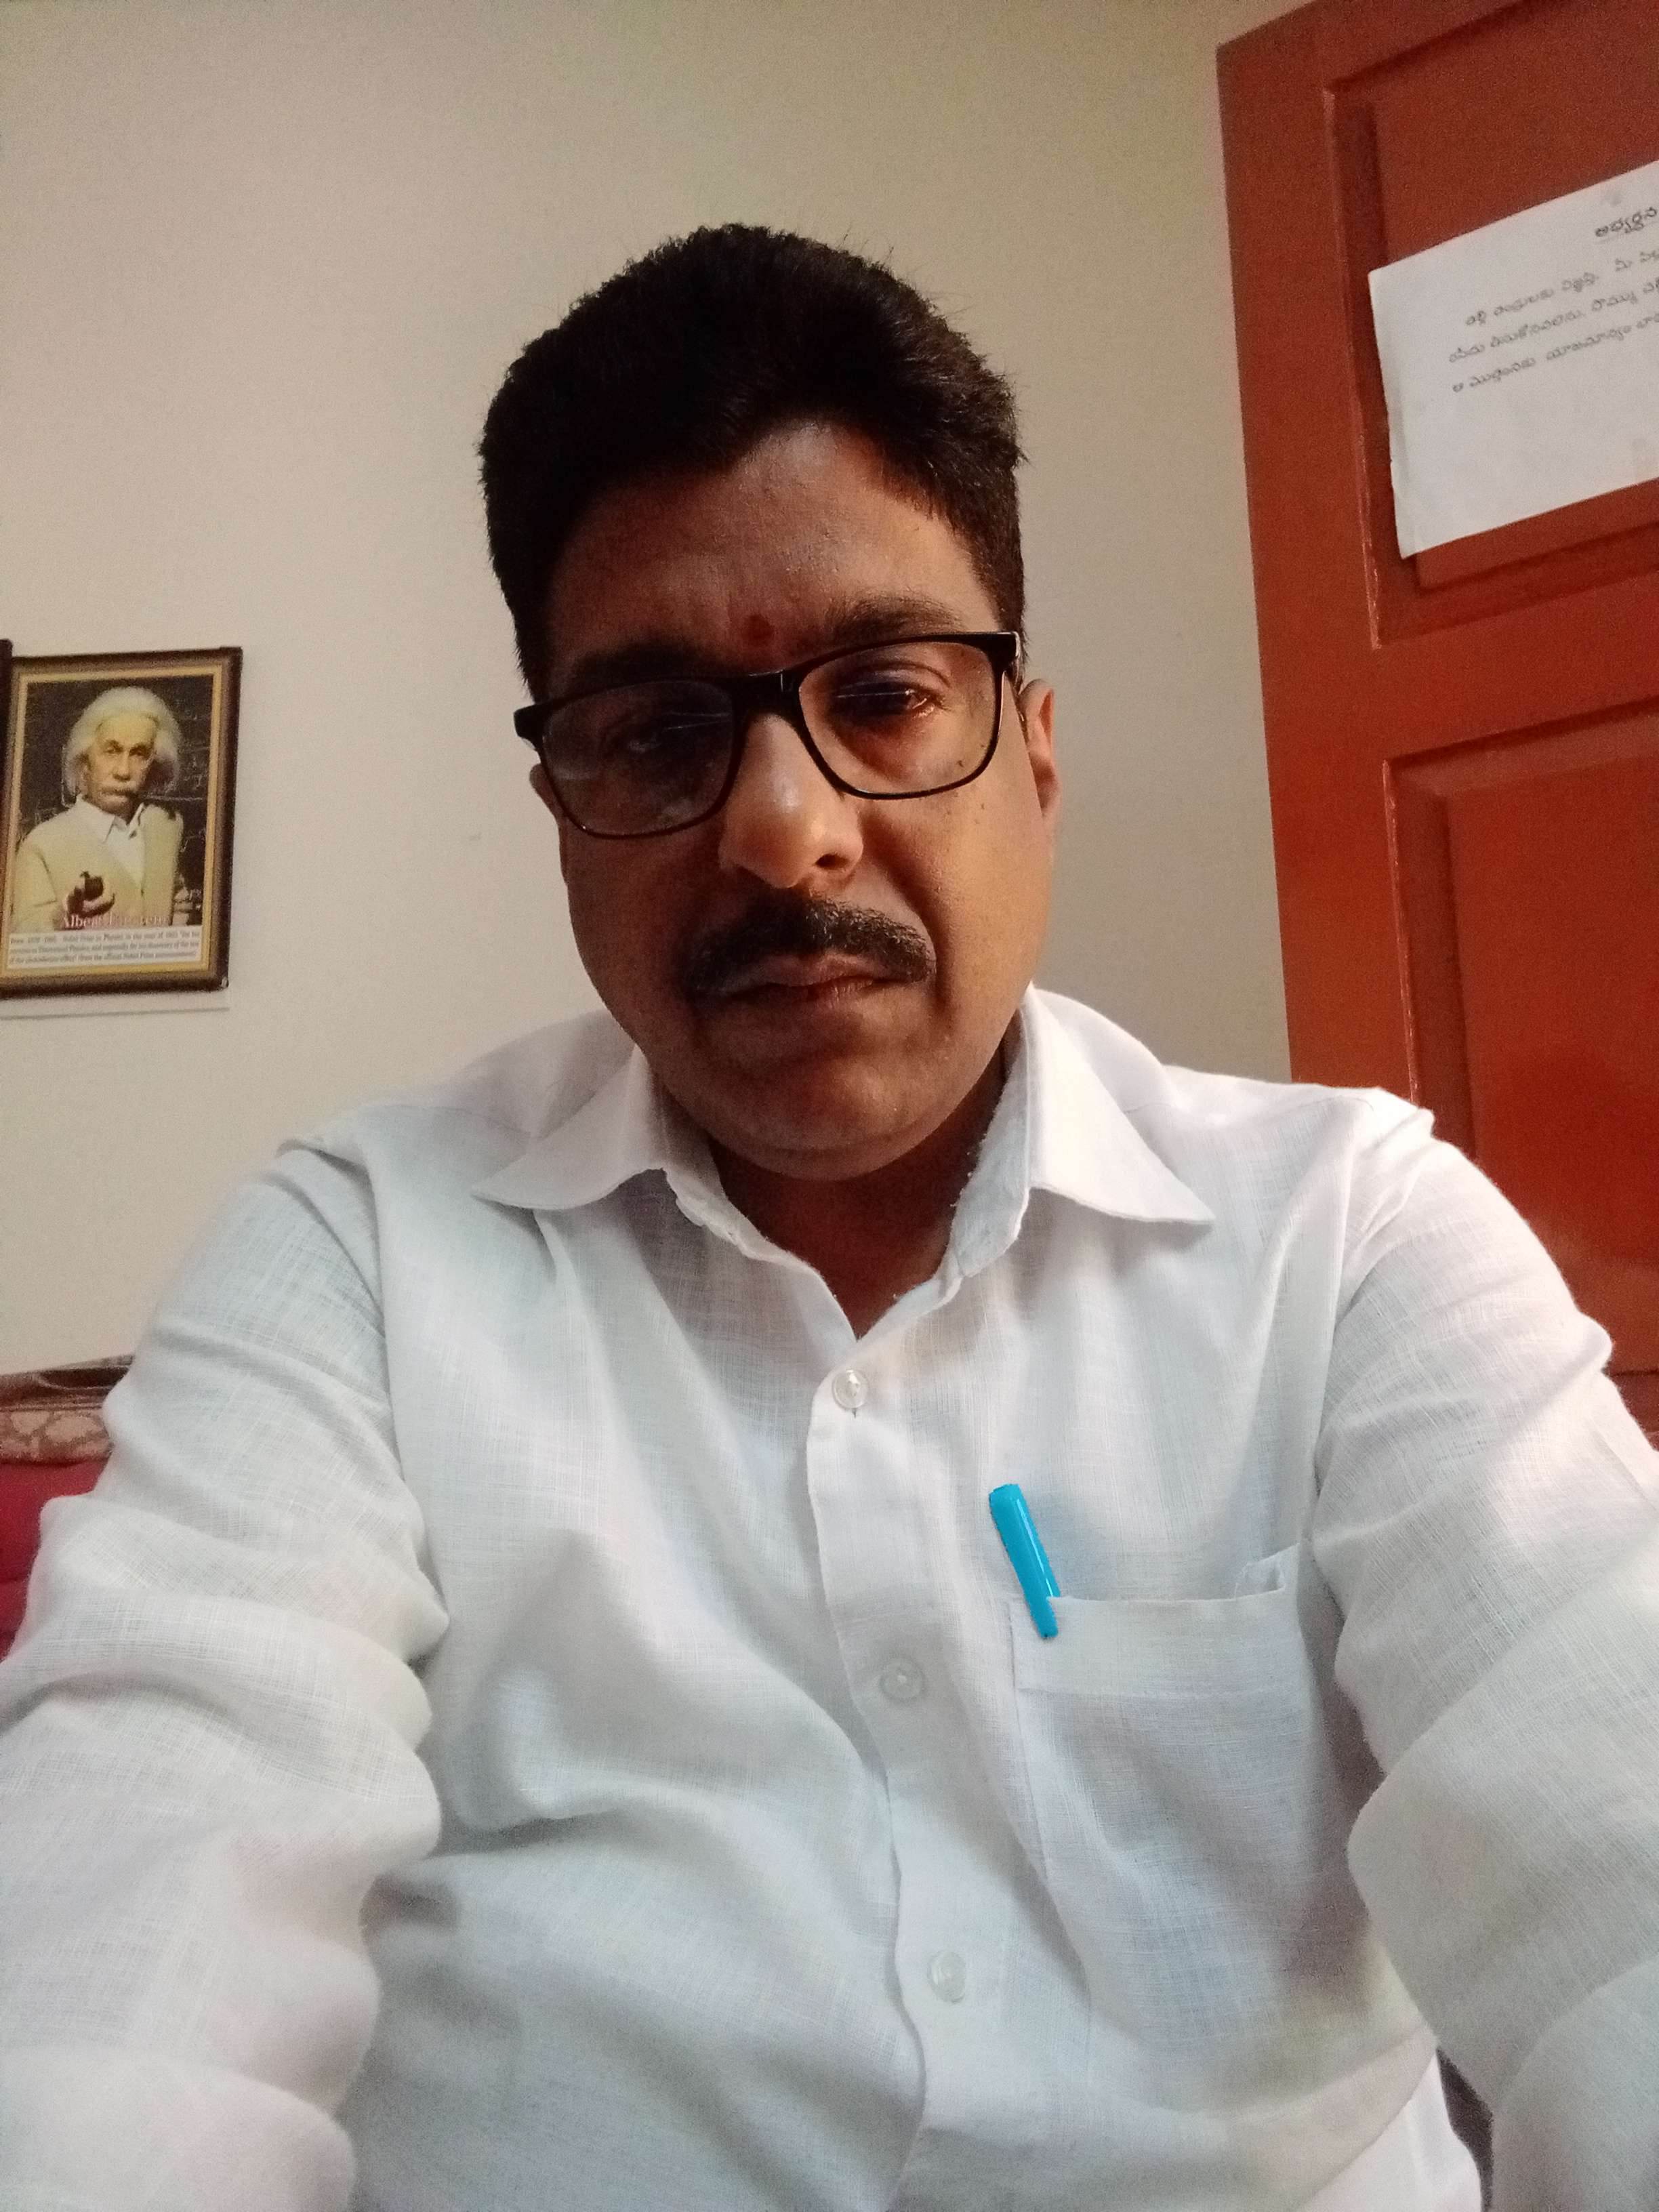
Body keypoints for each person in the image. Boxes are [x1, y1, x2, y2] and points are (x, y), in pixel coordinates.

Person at [1, 226, 1656, 2212]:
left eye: (883, 694)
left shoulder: (1348, 1239)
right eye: (656, 731)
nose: (784, 830)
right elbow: (130, 1926)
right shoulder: (357, 1256)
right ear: (563, 815)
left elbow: (1617, 1842)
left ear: (1035, 756)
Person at [7, 686, 190, 933]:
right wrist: (64, 917)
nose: (123, 771)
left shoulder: (165, 827)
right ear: (84, 763)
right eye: (111, 751)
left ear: (154, 764)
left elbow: (181, 908)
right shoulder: (42, 844)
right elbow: (23, 931)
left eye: (139, 754)